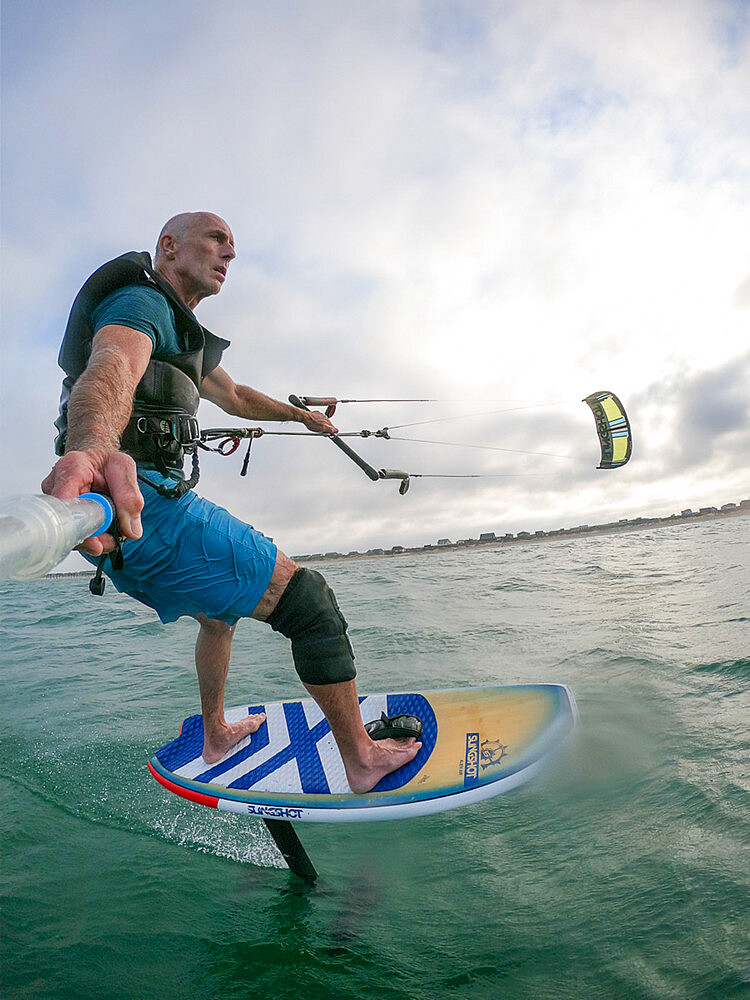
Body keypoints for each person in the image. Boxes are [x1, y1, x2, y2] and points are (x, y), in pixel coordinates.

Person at [43, 211, 421, 792]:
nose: (230, 253)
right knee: (308, 601)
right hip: (136, 504)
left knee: (218, 617)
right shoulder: (140, 306)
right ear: (169, 246)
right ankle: (363, 760)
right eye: (217, 239)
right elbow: (112, 367)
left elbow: (239, 397)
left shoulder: (185, 335)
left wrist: (301, 416)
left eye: (233, 244)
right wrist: (91, 448)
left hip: (125, 521)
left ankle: (215, 731)